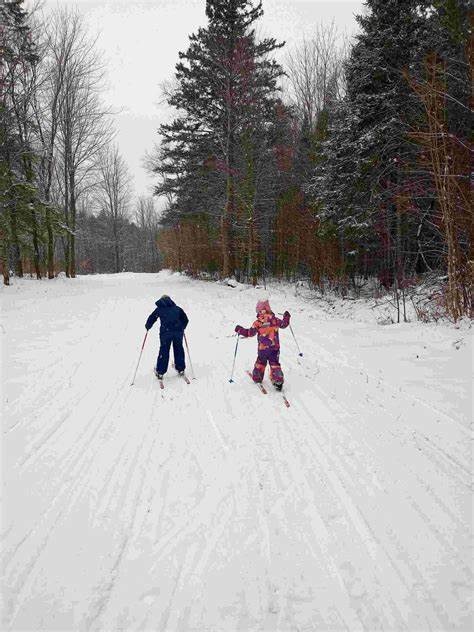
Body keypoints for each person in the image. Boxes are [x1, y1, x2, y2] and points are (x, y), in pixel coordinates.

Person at [235, 299, 290, 390]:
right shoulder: (275, 320)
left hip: (263, 349)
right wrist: (286, 316)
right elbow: (284, 324)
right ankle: (278, 381)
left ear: (259, 311)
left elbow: (249, 333)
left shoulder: (258, 322)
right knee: (274, 363)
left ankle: (257, 377)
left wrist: (240, 329)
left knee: (261, 362)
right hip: (274, 349)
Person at [145, 295, 189, 379]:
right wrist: (182, 327)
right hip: (178, 333)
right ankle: (181, 369)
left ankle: (160, 371)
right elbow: (185, 319)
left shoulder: (159, 309)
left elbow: (152, 318)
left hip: (166, 333)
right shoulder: (177, 309)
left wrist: (148, 326)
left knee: (164, 351)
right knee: (179, 349)